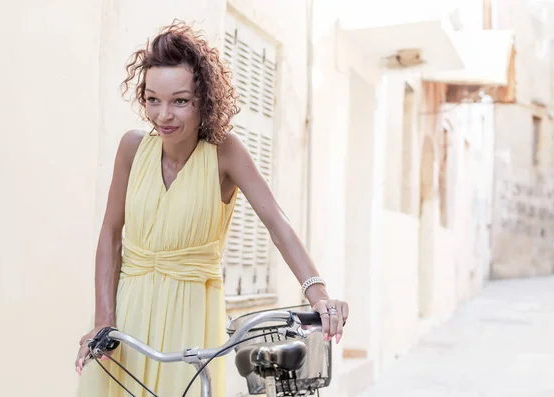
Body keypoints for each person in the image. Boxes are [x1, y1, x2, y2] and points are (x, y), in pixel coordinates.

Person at [74, 20, 349, 397]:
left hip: (191, 315)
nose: (163, 115)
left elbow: (276, 222)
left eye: (180, 101)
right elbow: (110, 234)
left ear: (204, 99)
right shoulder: (132, 149)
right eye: (153, 99)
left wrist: (318, 294)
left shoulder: (224, 153)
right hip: (128, 316)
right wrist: (104, 320)